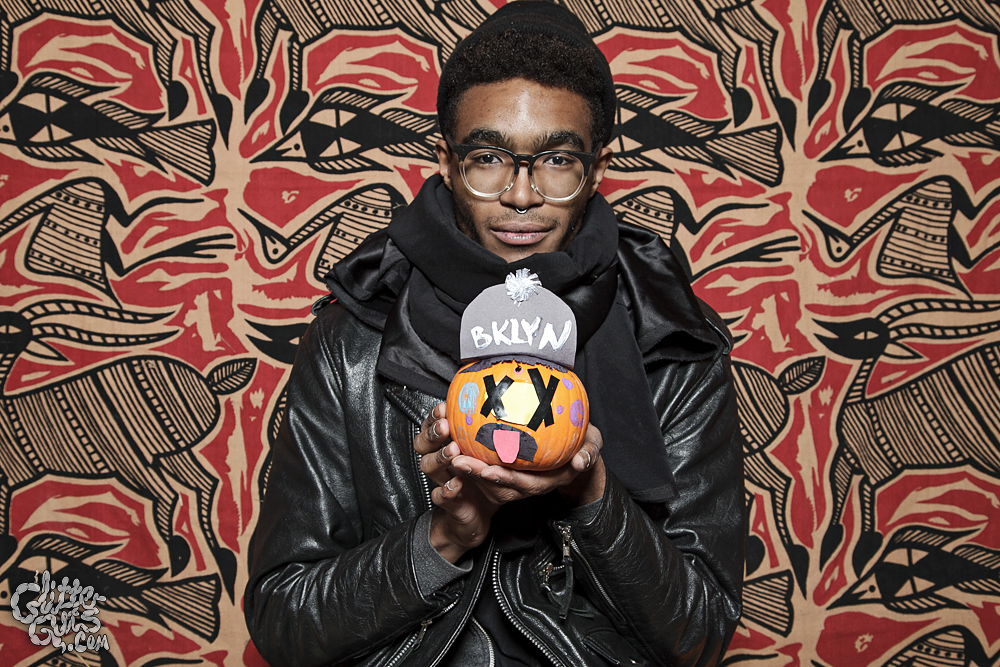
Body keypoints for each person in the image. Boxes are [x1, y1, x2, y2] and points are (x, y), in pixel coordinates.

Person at [244, 2, 745, 666]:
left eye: (557, 159)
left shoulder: (671, 337)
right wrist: (444, 536)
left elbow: (701, 631)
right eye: (487, 157)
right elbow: (282, 619)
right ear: (446, 161)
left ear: (597, 168)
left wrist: (591, 493)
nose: (521, 195)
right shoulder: (354, 337)